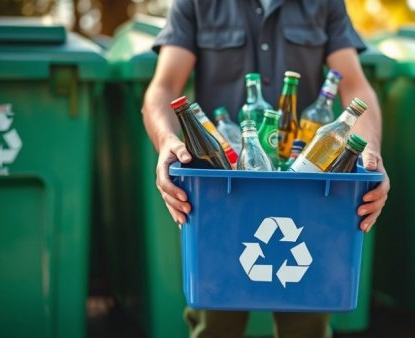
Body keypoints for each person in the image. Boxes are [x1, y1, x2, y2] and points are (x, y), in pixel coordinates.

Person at [141, 1, 390, 337]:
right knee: (215, 322)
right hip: (221, 188)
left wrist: (371, 151)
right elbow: (164, 87)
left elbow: (355, 86)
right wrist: (167, 142)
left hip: (306, 186)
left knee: (307, 322)